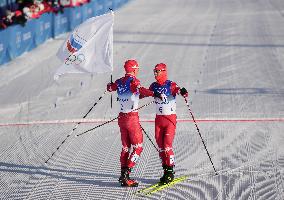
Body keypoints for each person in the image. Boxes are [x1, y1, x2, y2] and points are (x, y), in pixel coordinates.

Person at [107, 59, 154, 187]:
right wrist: (154, 93)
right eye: (137, 68)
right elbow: (141, 90)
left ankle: (123, 175)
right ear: (133, 69)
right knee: (138, 147)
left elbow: (110, 88)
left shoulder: (119, 81)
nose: (138, 70)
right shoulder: (134, 81)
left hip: (121, 118)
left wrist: (110, 85)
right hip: (131, 118)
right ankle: (126, 175)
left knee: (126, 147)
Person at [149, 63, 188, 184]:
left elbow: (179, 91)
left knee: (167, 146)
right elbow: (143, 93)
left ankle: (170, 172)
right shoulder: (153, 86)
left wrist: (183, 91)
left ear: (163, 71)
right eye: (154, 71)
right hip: (159, 120)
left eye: (157, 71)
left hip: (170, 120)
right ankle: (165, 171)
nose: (155, 73)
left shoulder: (170, 84)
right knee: (160, 148)